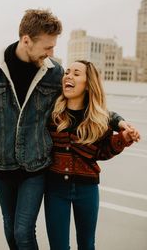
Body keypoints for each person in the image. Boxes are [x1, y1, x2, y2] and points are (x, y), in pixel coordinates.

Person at [0, 9, 136, 250]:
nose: (52, 53)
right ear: (26, 40)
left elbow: (85, 106)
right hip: (0, 163)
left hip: (36, 166)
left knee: (23, 231)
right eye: (47, 47)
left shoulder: (53, 73)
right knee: (9, 226)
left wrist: (118, 121)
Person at [44, 60, 140, 250]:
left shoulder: (99, 120)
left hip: (86, 190)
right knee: (58, 247)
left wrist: (123, 137)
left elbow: (103, 151)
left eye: (76, 73)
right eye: (67, 72)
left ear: (88, 84)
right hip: (55, 189)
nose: (68, 76)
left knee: (87, 245)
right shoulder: (53, 114)